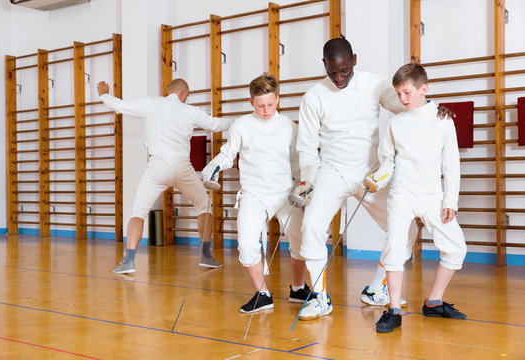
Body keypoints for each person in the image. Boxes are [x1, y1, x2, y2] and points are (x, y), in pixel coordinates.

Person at [293, 38, 454, 320]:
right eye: (333, 72)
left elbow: (410, 106)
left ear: (354, 60)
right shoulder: (313, 97)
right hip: (333, 170)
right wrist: (307, 182)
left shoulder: (375, 84)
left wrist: (434, 109)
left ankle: (375, 290)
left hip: (372, 171)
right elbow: (307, 148)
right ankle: (320, 296)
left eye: (345, 70)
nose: (339, 78)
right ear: (324, 67)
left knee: (407, 232)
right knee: (311, 226)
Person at [97, 79, 232, 273]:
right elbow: (216, 124)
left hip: (156, 167)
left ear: (169, 91)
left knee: (138, 211)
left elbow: (121, 106)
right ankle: (206, 255)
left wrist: (104, 95)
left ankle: (128, 261)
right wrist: (242, 121)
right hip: (182, 167)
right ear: (183, 93)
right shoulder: (190, 111)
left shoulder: (152, 103)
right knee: (204, 205)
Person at [369, 63, 467, 333]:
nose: (402, 99)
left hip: (432, 195)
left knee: (456, 247)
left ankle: (434, 302)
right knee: (395, 247)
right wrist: (377, 179)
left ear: (424, 89)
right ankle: (393, 309)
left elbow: (451, 165)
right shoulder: (395, 122)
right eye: (398, 94)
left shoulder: (443, 120)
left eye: (407, 93)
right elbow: (387, 162)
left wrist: (451, 202)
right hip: (401, 193)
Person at [202, 73, 311, 313]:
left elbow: (296, 162)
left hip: (284, 192)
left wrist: (303, 186)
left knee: (301, 241)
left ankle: (298, 288)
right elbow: (228, 155)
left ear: (278, 99)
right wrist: (212, 167)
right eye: (260, 105)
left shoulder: (288, 127)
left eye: (271, 104)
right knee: (247, 243)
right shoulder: (242, 126)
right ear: (251, 103)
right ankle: (262, 294)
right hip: (254, 193)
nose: (266, 110)